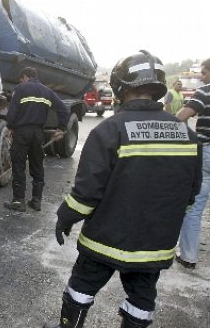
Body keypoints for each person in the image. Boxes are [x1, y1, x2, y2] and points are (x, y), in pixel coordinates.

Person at [44, 50, 202, 328]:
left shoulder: (110, 130)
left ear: (119, 86)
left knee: (82, 286)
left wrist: (65, 216)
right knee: (142, 298)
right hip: (155, 246)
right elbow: (190, 194)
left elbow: (87, 192)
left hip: (105, 239)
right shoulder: (187, 135)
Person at [4, 67, 67, 212]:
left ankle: (19, 201)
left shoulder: (20, 89)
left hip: (22, 133)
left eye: (22, 79)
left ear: (25, 77)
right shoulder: (47, 91)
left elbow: (12, 111)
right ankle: (36, 201)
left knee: (19, 164)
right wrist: (61, 128)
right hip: (38, 134)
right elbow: (63, 109)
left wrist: (10, 127)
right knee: (37, 166)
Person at [174, 58, 210, 269]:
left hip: (206, 153)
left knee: (195, 208)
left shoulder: (204, 92)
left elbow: (180, 116)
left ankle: (188, 256)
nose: (201, 77)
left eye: (204, 73)